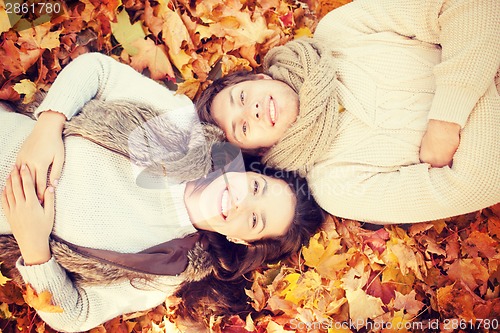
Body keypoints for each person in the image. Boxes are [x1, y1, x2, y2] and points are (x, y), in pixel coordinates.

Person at [0, 52, 325, 332]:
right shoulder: (181, 128)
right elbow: (97, 70)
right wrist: (48, 127)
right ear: (246, 170)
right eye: (256, 188)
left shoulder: (166, 268)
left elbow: (75, 315)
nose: (242, 202)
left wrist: (34, 248)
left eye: (255, 220)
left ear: (242, 241)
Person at [196, 0, 500, 224]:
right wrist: (477, 58)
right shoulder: (337, 187)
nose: (254, 111)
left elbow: (469, 6)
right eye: (243, 128)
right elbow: (483, 182)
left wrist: (447, 118)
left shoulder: (339, 33)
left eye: (242, 96)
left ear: (259, 78)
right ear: (260, 151)